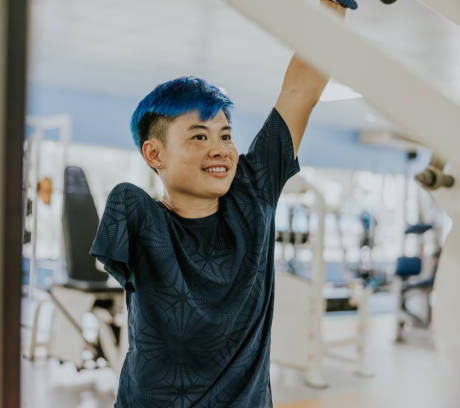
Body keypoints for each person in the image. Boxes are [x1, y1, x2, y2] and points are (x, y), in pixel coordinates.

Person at [90, 1, 355, 406]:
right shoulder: (134, 210)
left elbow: (299, 93)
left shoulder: (254, 191)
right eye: (199, 137)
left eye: (225, 136)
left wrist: (332, 8)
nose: (220, 150)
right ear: (154, 155)